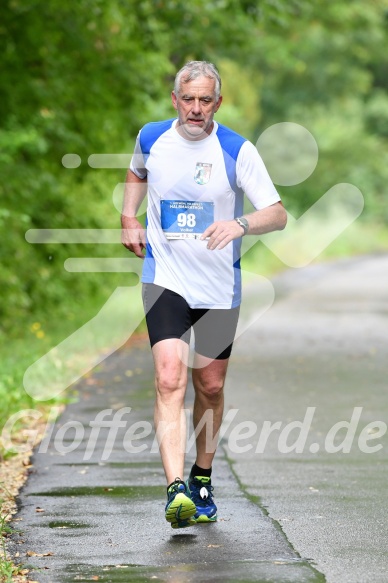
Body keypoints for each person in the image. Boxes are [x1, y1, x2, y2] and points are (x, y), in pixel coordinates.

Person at [121, 60, 287, 528]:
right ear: (175, 99)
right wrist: (129, 216)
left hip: (218, 285)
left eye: (205, 100)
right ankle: (176, 491)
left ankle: (202, 477)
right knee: (169, 379)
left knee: (209, 386)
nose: (196, 109)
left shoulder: (236, 149)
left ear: (218, 101)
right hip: (165, 278)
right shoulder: (152, 137)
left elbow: (277, 214)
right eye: (188, 99)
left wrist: (239, 224)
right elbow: (137, 173)